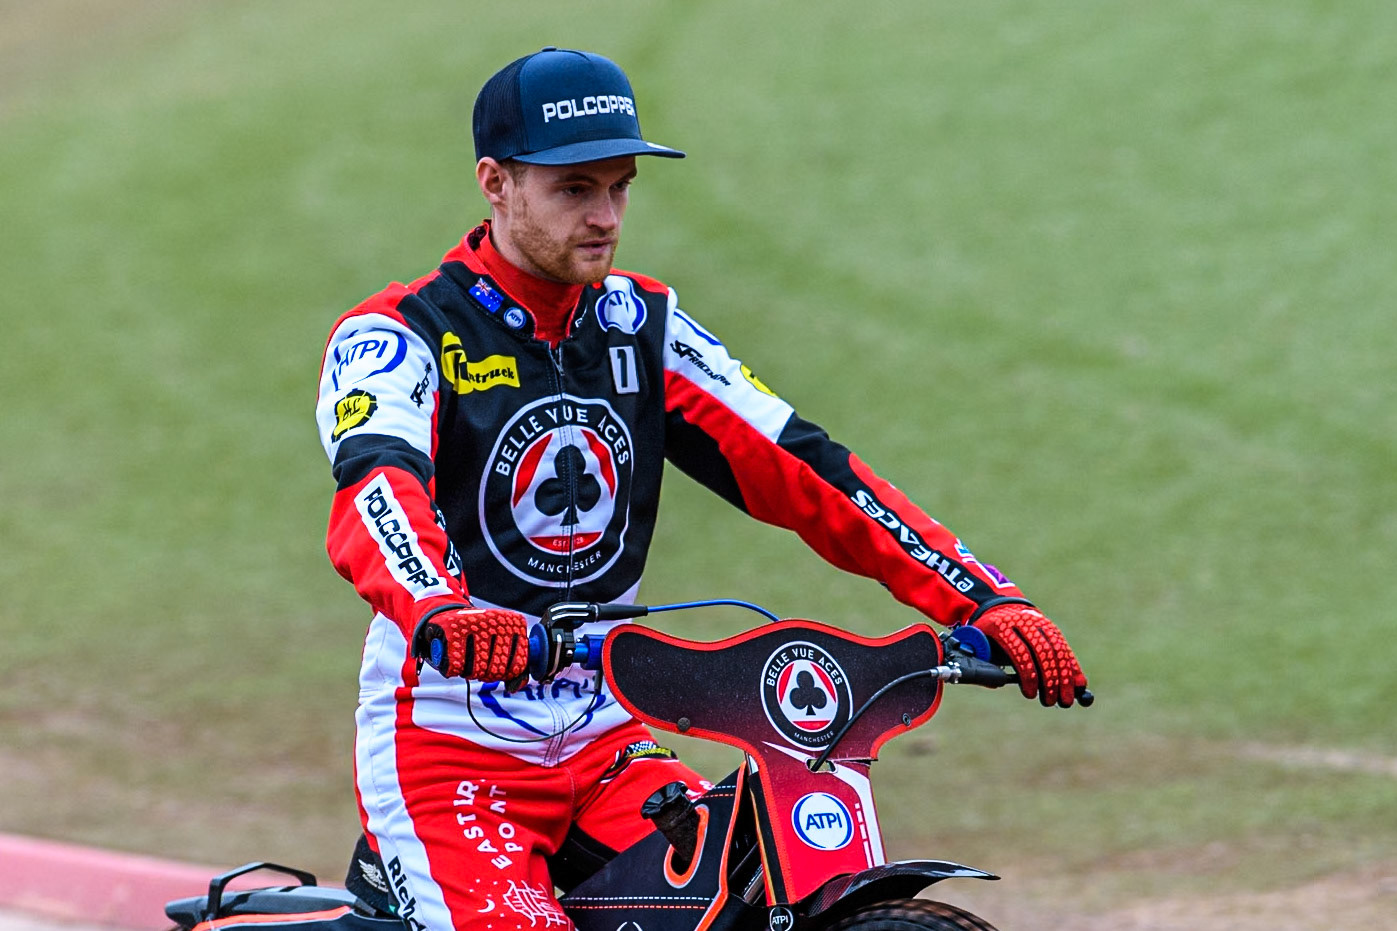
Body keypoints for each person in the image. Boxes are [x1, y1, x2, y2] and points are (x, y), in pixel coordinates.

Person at [315, 47, 1088, 931]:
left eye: (620, 186)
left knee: (752, 897)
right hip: (449, 755)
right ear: (496, 182)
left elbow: (806, 471)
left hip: (607, 738)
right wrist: (439, 611)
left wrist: (983, 598)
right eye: (575, 189)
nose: (605, 217)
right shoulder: (397, 334)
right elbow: (377, 491)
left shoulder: (642, 324)